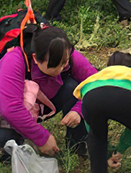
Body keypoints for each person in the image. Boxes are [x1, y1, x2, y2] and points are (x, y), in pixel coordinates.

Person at [0, 27, 96, 157]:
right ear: (35, 59)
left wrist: (79, 110)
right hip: (7, 113)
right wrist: (42, 137)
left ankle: (76, 149)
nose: (63, 67)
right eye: (57, 64)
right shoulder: (14, 60)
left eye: (65, 62)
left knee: (72, 88)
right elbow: (10, 108)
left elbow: (95, 83)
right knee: (8, 144)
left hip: (41, 104)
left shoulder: (67, 54)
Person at [75, 51, 131, 173]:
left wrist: (107, 153)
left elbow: (90, 127)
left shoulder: (98, 77)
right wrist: (121, 149)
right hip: (122, 98)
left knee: (96, 137)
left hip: (90, 96)